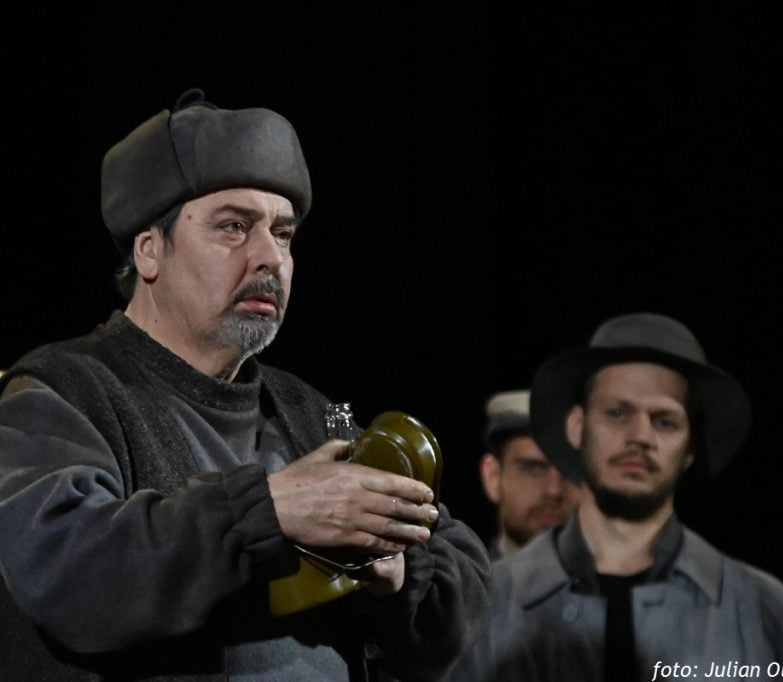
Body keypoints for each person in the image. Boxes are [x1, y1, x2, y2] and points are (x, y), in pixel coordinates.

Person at [0, 90, 489, 681]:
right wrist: (269, 510)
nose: (269, 258)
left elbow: (468, 601)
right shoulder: (60, 391)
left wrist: (399, 571)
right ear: (150, 251)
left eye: (283, 234)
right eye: (234, 227)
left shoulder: (310, 412)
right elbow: (66, 572)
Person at [452, 313, 783, 681]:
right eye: (618, 413)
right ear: (577, 426)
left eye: (665, 421)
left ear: (690, 448)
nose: (640, 436)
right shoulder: (481, 608)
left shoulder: (770, 616)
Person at [479, 390, 581, 560]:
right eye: (533, 468)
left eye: (570, 469)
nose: (554, 490)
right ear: (493, 477)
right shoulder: (454, 576)